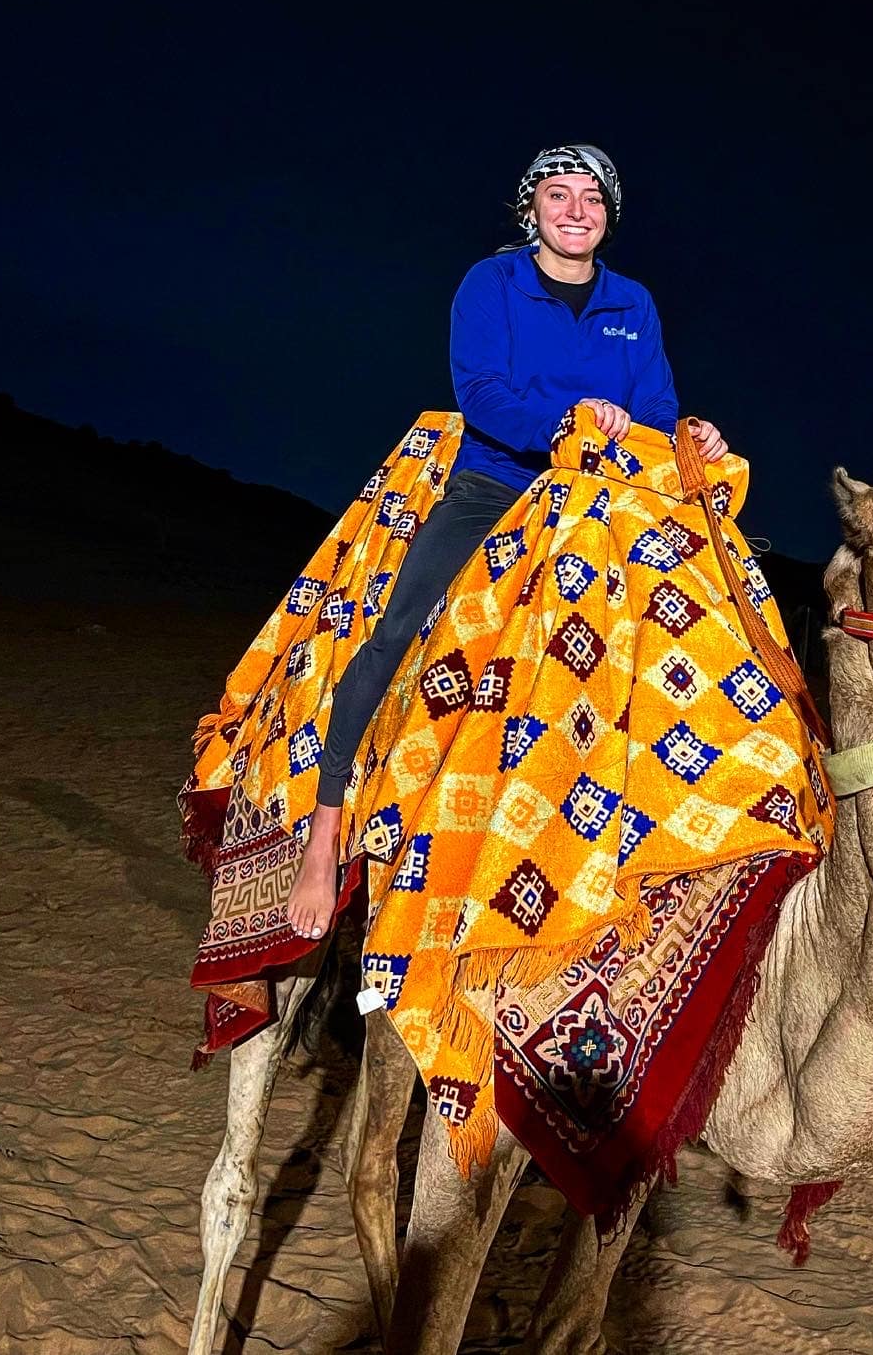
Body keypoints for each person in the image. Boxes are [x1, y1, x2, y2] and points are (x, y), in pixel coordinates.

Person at [286, 144, 726, 939]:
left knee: (694, 634)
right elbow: (482, 392)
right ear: (532, 211)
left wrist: (690, 432)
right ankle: (323, 834)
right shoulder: (490, 284)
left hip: (597, 497)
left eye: (592, 199)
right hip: (498, 483)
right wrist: (556, 425)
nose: (575, 211)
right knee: (396, 633)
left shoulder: (634, 303)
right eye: (559, 196)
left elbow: (656, 407)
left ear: (608, 217)